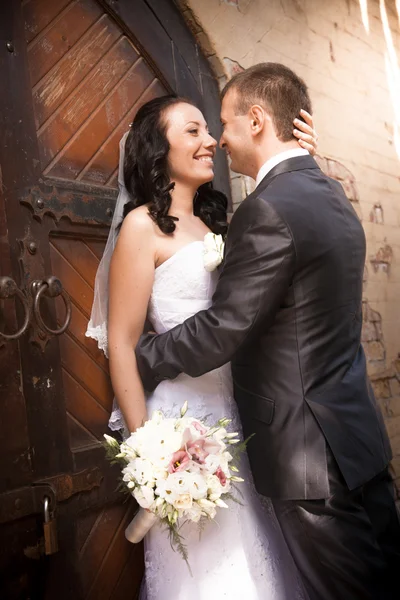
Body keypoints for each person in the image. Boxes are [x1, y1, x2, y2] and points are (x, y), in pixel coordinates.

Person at [135, 64, 400, 600]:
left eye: (226, 124)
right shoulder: (332, 197)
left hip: (308, 459)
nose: (220, 140)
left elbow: (225, 327)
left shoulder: (268, 208)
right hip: (355, 440)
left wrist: (145, 355)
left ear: (257, 120)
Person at [86, 91, 318, 599]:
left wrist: (300, 164)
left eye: (209, 130)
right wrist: (147, 454)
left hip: (233, 420)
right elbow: (122, 346)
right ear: (156, 147)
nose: (210, 140)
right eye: (193, 131)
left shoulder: (222, 224)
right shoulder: (141, 227)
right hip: (178, 430)